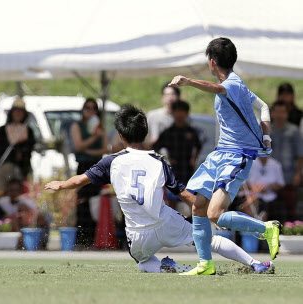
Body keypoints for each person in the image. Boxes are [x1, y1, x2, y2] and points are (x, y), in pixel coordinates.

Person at [45, 105, 273, 274]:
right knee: (210, 239)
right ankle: (254, 263)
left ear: (121, 136)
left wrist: (61, 184)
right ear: (144, 135)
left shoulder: (112, 161)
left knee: (143, 262)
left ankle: (175, 269)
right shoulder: (158, 161)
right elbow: (183, 194)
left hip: (138, 234)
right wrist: (206, 212)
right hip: (166, 222)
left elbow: (80, 181)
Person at [168, 37, 280, 275]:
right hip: (220, 154)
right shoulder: (237, 84)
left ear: (212, 62)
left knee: (214, 214)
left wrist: (187, 81)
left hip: (236, 157)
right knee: (198, 207)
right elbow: (264, 107)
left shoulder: (232, 84)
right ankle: (205, 264)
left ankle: (266, 229)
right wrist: (267, 137)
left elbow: (217, 89)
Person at [70, 97, 108, 246]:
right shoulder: (77, 126)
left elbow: (106, 148)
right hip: (83, 166)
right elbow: (78, 146)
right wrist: (94, 138)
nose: (90, 111)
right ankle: (81, 237)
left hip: (97, 165)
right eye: (88, 108)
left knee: (96, 201)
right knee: (82, 200)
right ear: (83, 110)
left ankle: (94, 237)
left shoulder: (100, 127)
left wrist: (90, 150)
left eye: (93, 108)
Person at [153, 100, 202, 210]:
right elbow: (156, 147)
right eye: (177, 111)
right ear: (173, 113)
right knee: (172, 200)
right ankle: (173, 223)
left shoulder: (191, 131)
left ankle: (192, 224)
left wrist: (194, 159)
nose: (180, 114)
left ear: (187, 113)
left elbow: (198, 146)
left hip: (188, 169)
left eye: (182, 111)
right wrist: (166, 160)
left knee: (191, 199)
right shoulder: (168, 132)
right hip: (173, 170)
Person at [0, 97, 36, 194]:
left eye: (20, 112)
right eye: (16, 111)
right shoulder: (2, 130)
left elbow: (29, 149)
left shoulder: (29, 131)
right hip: (4, 167)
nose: (18, 114)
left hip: (22, 169)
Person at [270, 101, 303, 221]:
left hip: (288, 176)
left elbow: (300, 154)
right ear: (272, 113)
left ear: (287, 114)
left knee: (290, 210)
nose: (279, 115)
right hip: (271, 179)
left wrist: (298, 173)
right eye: (276, 112)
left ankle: (289, 232)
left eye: (282, 112)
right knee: (271, 209)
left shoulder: (293, 131)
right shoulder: (267, 130)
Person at [238, 157, 284, 222]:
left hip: (269, 197)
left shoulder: (276, 164)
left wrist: (268, 187)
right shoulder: (248, 163)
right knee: (250, 203)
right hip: (248, 195)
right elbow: (240, 185)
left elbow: (280, 184)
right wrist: (252, 188)